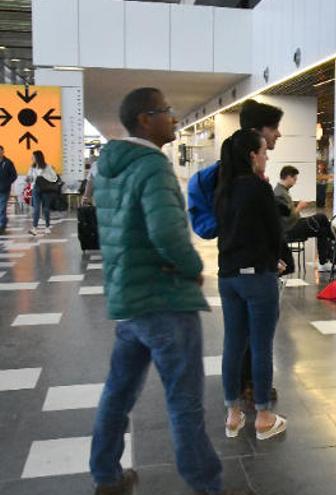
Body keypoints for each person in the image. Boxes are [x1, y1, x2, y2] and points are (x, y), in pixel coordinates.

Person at [88, 87, 250, 495]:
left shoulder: (108, 169)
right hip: (163, 299)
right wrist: (193, 267)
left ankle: (105, 474)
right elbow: (164, 230)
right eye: (166, 111)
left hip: (128, 299)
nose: (174, 117)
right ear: (145, 119)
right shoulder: (151, 165)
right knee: (184, 400)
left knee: (118, 393)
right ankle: (207, 485)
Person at [215, 128, 288, 442]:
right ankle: (264, 416)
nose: (267, 155)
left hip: (228, 276)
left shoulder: (223, 189)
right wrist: (279, 260)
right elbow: (275, 232)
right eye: (263, 151)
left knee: (233, 343)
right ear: (252, 156)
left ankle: (233, 415)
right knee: (260, 346)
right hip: (257, 277)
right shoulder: (257, 189)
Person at [274, 165, 336, 271]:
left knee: (322, 230)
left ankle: (325, 260)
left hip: (293, 225)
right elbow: (287, 219)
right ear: (288, 177)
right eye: (294, 179)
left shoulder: (282, 191)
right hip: (290, 229)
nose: (295, 183)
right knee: (321, 217)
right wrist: (299, 207)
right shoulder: (279, 194)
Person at [27, 150, 59, 235]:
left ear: (37, 157)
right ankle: (34, 228)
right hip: (35, 188)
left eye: (33, 157)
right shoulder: (32, 168)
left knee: (46, 208)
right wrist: (28, 179)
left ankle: (47, 227)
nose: (31, 158)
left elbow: (55, 178)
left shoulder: (47, 167)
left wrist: (44, 177)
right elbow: (29, 178)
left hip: (46, 189)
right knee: (36, 208)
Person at [0, 144, 16, 235]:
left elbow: (14, 175)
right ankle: (4, 221)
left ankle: (1, 226)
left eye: (0, 151)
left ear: (3, 152)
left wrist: (7, 183)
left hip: (4, 190)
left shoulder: (8, 162)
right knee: (1, 209)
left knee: (2, 208)